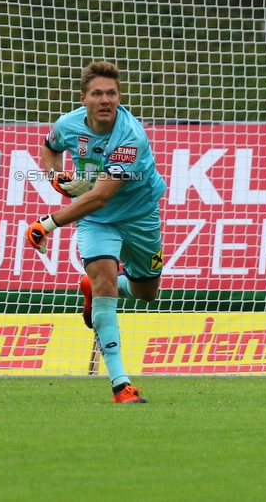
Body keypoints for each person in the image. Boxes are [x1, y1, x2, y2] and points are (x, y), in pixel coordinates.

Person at [26, 60, 166, 403]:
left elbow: (100, 196)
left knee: (146, 292)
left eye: (112, 93)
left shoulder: (130, 137)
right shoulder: (68, 124)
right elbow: (50, 148)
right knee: (105, 281)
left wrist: (46, 224)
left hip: (139, 215)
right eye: (98, 93)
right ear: (83, 98)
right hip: (95, 220)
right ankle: (121, 385)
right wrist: (55, 176)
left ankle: (99, 288)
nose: (106, 100)